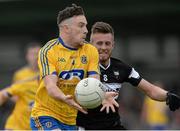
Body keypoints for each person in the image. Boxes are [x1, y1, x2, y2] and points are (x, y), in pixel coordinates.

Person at [76, 21, 180, 130]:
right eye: (99, 43)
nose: (103, 47)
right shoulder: (79, 67)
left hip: (114, 127)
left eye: (107, 43)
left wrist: (168, 95)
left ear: (113, 45)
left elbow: (151, 90)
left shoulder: (122, 68)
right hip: (86, 127)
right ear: (91, 45)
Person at [30, 4, 118, 130]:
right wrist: (64, 98)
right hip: (46, 114)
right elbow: (50, 86)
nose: (86, 30)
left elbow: (94, 81)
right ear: (66, 28)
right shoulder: (48, 51)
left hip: (73, 119)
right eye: (81, 25)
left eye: (86, 26)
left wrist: (101, 95)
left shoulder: (91, 51)